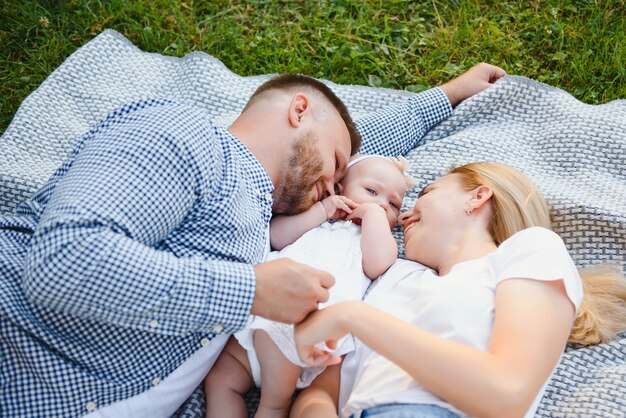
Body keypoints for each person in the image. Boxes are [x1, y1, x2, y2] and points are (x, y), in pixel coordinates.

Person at [0, 62, 506, 417]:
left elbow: (365, 163)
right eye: (333, 165)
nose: (335, 188)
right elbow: (65, 262)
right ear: (298, 110)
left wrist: (450, 94)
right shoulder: (186, 135)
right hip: (26, 369)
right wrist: (251, 290)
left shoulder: (279, 204)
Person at [292, 162, 626, 418]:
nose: (404, 215)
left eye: (426, 192)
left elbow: (506, 391)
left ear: (477, 196)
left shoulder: (529, 250)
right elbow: (319, 393)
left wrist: (355, 317)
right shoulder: (391, 275)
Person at [205, 154, 416, 418]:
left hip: (299, 328)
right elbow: (277, 236)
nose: (382, 205)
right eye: (372, 191)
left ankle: (274, 408)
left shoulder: (367, 239)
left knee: (272, 402)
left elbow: (380, 263)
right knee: (220, 380)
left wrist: (373, 215)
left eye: (393, 204)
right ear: (339, 189)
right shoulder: (316, 217)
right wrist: (322, 211)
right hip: (255, 319)